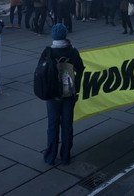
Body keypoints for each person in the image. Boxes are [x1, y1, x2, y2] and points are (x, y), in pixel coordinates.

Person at [41, 24, 84, 165]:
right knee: (67, 124)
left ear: (53, 36)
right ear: (65, 35)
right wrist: (75, 86)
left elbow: (40, 73)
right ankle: (65, 155)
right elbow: (81, 69)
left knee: (52, 125)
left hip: (52, 93)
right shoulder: (72, 51)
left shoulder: (47, 52)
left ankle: (50, 156)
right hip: (68, 90)